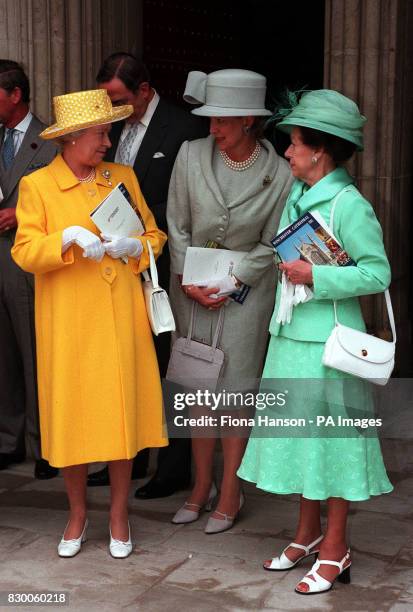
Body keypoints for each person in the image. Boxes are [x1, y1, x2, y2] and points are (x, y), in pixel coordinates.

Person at [237, 89, 393, 593]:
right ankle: (306, 533)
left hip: (330, 344)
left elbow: (378, 274)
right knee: (303, 439)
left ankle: (336, 547)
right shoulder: (299, 195)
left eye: (294, 143)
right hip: (291, 335)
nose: (287, 152)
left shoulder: (350, 204)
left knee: (331, 443)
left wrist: (316, 276)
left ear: (319, 150)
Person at [11, 89, 167, 558]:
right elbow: (24, 251)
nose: (107, 140)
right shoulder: (38, 186)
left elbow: (153, 235)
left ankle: (119, 516)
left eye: (106, 132)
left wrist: (135, 248)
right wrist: (66, 239)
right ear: (74, 138)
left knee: (121, 419)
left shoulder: (120, 176)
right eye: (101, 133)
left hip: (120, 314)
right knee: (73, 419)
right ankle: (77, 513)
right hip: (69, 321)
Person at [167, 69, 293, 534]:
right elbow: (176, 223)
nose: (211, 128)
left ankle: (231, 491)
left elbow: (274, 242)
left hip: (246, 299)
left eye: (220, 120)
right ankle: (200, 488)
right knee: (200, 394)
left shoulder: (279, 172)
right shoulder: (190, 154)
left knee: (234, 399)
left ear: (246, 119)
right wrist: (188, 280)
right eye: (210, 119)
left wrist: (231, 281)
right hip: (192, 293)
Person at [88, 52, 207, 497]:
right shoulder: (111, 128)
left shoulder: (185, 128)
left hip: (168, 261)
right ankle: (129, 459)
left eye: (117, 98)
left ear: (144, 90)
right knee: (130, 363)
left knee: (172, 363)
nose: (111, 108)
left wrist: (134, 223)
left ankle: (174, 469)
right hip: (118, 265)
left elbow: (190, 202)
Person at [0, 59, 58, 479]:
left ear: (15, 95)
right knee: (3, 356)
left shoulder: (50, 140)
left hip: (27, 259)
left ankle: (43, 445)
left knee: (34, 352)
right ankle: (9, 439)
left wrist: (22, 214)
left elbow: (61, 200)